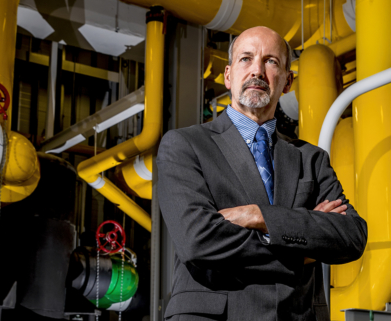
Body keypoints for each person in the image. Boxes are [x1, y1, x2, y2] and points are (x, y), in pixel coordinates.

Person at [157, 26, 367, 321]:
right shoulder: (185, 145)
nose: (257, 70)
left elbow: (351, 236)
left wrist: (259, 216)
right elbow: (198, 240)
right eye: (246, 59)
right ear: (228, 76)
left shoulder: (311, 159)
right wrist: (301, 246)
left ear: (287, 81)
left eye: (271, 61)